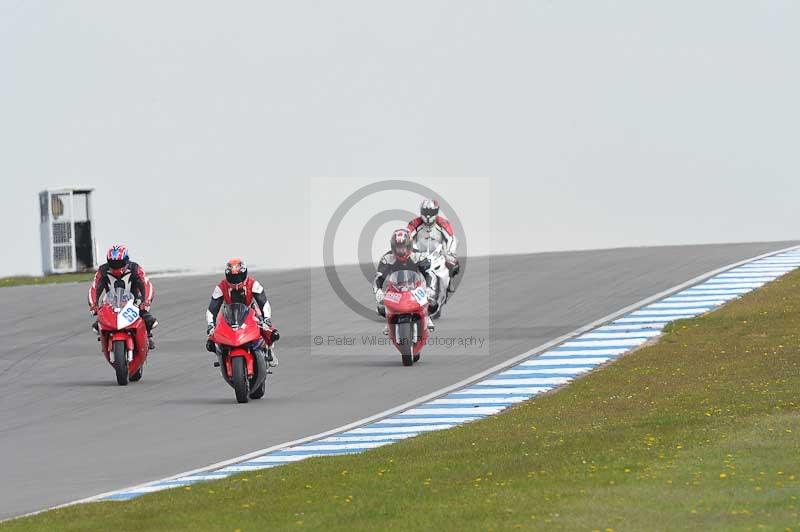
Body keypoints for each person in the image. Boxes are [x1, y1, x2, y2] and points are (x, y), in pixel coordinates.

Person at [205, 258, 279, 367]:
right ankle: (221, 356)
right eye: (233, 277)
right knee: (210, 341)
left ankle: (269, 349)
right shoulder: (221, 287)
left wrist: (267, 318)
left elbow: (264, 303)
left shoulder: (253, 284)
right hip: (228, 313)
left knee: (271, 331)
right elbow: (212, 309)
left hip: (251, 310)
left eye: (238, 276)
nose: (236, 280)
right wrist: (211, 325)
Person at [88, 244, 157, 349]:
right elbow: (94, 288)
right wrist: (94, 304)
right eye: (113, 263)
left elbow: (146, 284)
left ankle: (147, 336)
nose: (116, 267)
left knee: (149, 320)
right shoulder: (102, 271)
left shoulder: (135, 268)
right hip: (111, 302)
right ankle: (105, 339)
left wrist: (146, 301)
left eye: (119, 263)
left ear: (126, 260)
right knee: (97, 326)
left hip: (133, 301)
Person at [374, 228, 436, 333]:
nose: (401, 251)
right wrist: (378, 290)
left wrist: (430, 288)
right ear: (393, 247)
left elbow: (429, 273)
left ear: (409, 246)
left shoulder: (418, 255)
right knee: (380, 307)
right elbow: (379, 277)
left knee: (433, 304)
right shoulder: (387, 258)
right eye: (398, 248)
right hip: (395, 289)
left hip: (415, 287)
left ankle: (426, 317)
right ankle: (389, 323)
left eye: (403, 247)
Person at [407, 198, 460, 293]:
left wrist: (450, 253)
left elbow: (451, 238)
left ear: (436, 212)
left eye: (431, 212)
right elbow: (406, 237)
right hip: (419, 254)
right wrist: (410, 252)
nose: (428, 215)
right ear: (421, 211)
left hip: (438, 254)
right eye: (426, 211)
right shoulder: (414, 223)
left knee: (453, 262)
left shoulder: (443, 223)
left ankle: (449, 280)